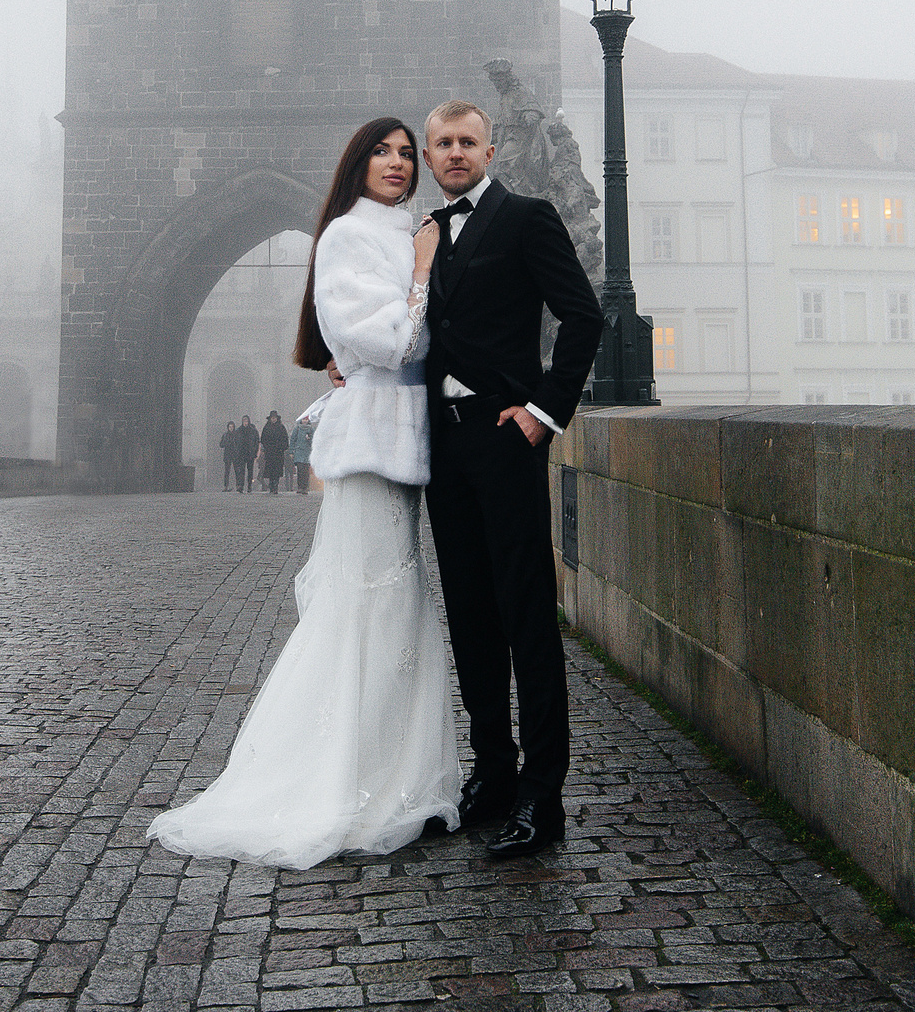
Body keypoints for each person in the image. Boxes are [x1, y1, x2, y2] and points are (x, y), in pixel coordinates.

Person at [148, 117, 460, 868]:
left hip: (401, 444)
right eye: (381, 151)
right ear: (356, 163)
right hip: (371, 451)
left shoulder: (401, 231)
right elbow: (391, 341)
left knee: (397, 604)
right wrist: (422, 270)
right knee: (370, 605)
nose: (398, 162)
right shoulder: (353, 236)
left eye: (405, 153)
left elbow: (407, 343)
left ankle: (395, 775)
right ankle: (349, 782)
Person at [416, 97, 602, 861]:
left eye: (468, 141)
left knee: (527, 617)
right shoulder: (427, 235)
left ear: (490, 151)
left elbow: (584, 316)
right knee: (470, 616)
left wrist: (542, 411)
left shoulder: (526, 217)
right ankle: (491, 774)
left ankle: (541, 792)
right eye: (442, 143)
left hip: (504, 438)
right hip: (446, 450)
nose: (455, 152)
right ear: (430, 157)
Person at [257, 410, 288, 494]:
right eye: (272, 418)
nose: (273, 419)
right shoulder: (266, 428)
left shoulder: (281, 427)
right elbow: (263, 439)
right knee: (270, 469)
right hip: (269, 452)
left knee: (277, 470)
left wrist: (282, 448)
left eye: (274, 418)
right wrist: (266, 448)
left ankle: (276, 485)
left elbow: (285, 439)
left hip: (278, 452)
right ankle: (271, 485)